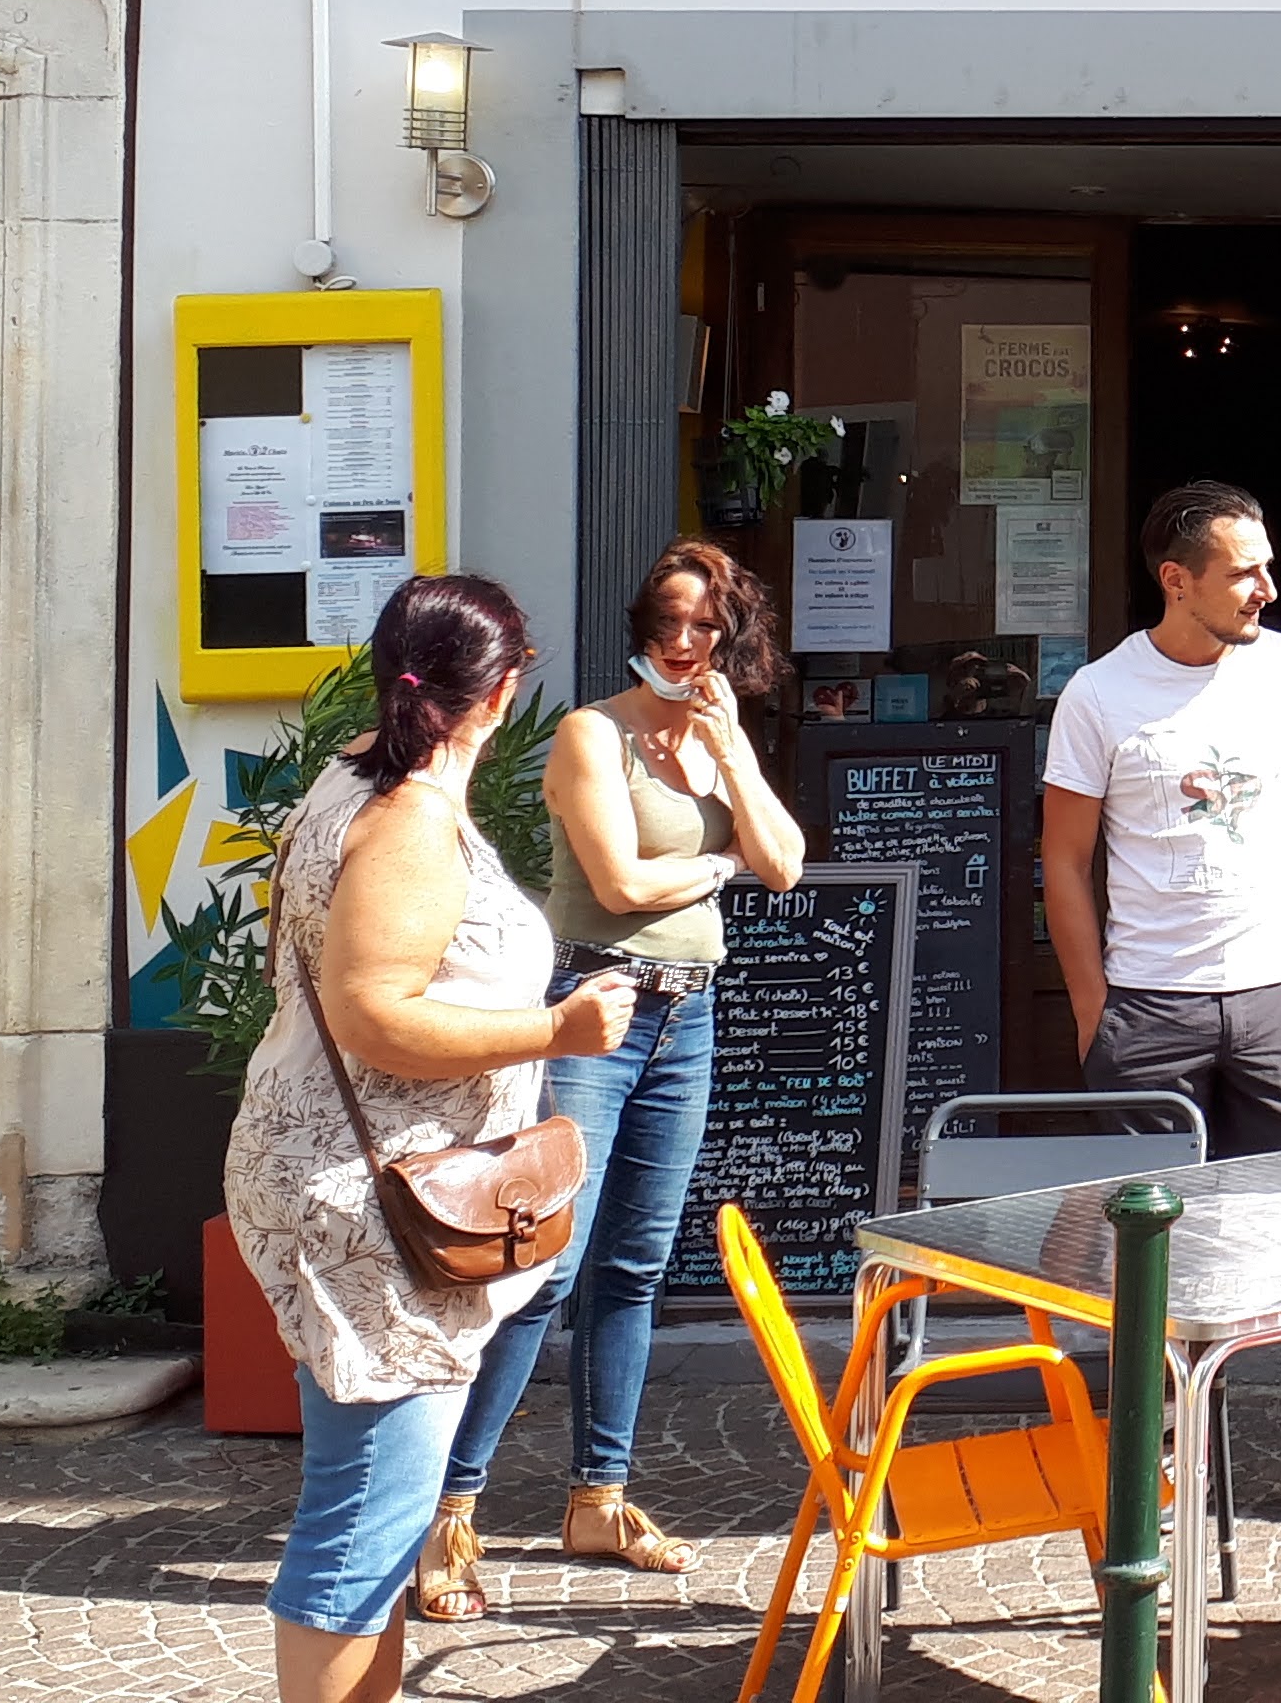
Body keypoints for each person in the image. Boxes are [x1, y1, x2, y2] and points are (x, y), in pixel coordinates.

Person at [227, 575, 638, 1703]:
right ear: (500, 695)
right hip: (377, 1202)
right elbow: (373, 1012)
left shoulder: (353, 776)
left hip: (347, 1178)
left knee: (379, 1507)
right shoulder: (407, 819)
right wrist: (558, 1028)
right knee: (366, 1516)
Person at [416, 539, 808, 1619]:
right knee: (543, 1266)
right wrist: (721, 862)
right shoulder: (596, 733)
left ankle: (600, 1497)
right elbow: (622, 883)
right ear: (641, 627)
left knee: (635, 1267)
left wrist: (732, 758)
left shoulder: (719, 738)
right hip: (597, 1008)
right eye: (667, 621)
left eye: (705, 625)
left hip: (689, 1012)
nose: (683, 642)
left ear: (732, 638)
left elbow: (787, 862)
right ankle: (448, 1509)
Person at [1040, 477, 1281, 1487]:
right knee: (1152, 1236)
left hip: (1279, 990)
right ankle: (1160, 1444)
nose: (1266, 588)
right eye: (1243, 573)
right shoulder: (1100, 693)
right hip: (1150, 1001)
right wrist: (1094, 1009)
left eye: (1267, 567)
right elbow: (1064, 860)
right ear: (1176, 579)